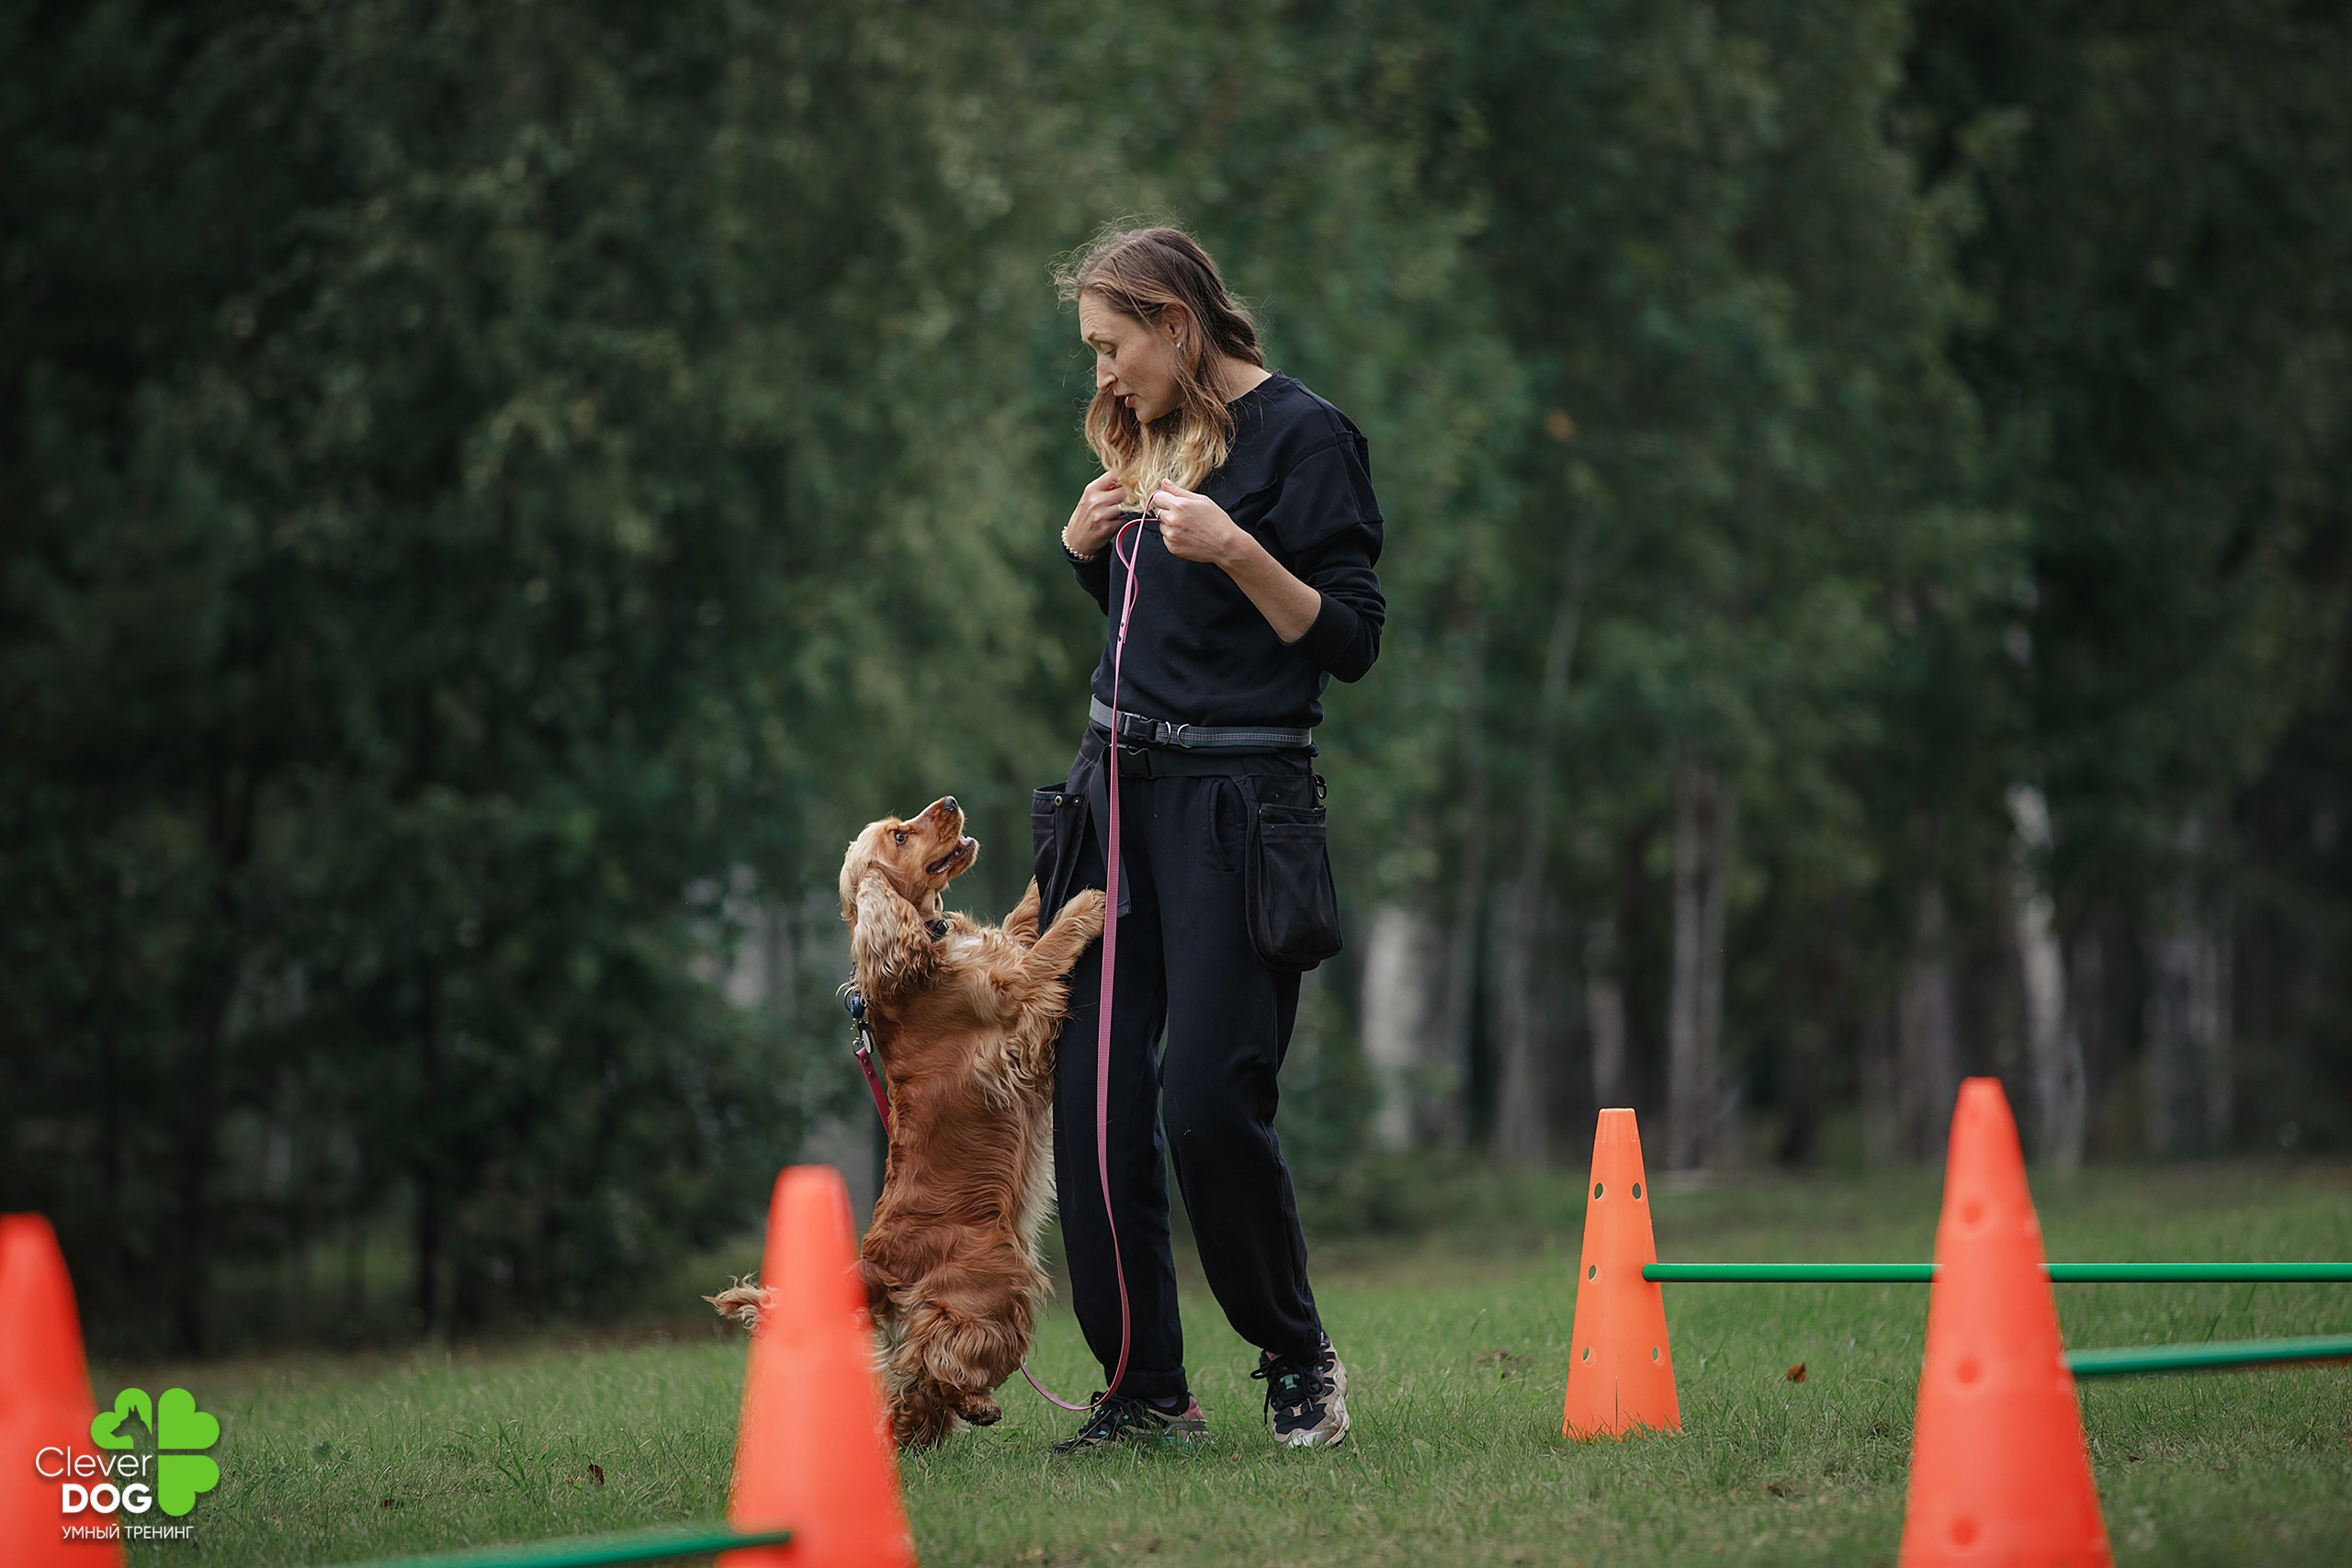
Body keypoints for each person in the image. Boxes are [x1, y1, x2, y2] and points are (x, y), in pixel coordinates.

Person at [1029, 224, 1385, 1452]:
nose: (1102, 374)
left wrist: (1239, 548)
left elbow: (1350, 639)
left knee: (1209, 1108)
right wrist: (1082, 553)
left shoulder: (1309, 438)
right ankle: (1143, 1392)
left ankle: (1295, 1354)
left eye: (1112, 345)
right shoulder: (1144, 428)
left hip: (1238, 806)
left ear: (1177, 327)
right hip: (1108, 799)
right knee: (1096, 1106)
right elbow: (1159, 622)